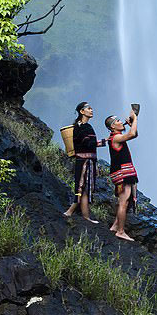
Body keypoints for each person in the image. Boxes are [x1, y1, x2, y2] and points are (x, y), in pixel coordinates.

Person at [64, 101, 106, 222]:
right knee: (82, 187)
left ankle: (86, 217)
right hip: (84, 162)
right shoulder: (82, 126)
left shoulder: (83, 126)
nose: (92, 110)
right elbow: (88, 143)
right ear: (82, 111)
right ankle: (70, 211)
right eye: (89, 108)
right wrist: (105, 141)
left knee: (84, 188)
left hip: (86, 161)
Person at [105, 109, 139, 241]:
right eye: (118, 121)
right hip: (122, 173)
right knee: (124, 202)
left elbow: (134, 134)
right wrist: (135, 119)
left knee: (124, 201)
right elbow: (131, 134)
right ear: (113, 126)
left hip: (124, 172)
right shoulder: (116, 138)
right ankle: (120, 231)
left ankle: (115, 226)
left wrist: (132, 125)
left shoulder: (116, 136)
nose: (121, 122)